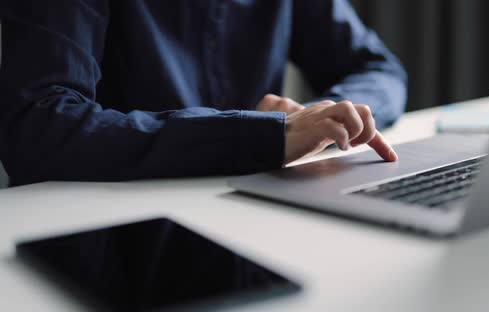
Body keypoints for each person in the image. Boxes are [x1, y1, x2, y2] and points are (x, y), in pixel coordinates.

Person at [0, 0, 407, 186]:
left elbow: (379, 70)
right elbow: (37, 125)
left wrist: (327, 118)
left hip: (255, 208)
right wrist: (266, 135)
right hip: (104, 232)